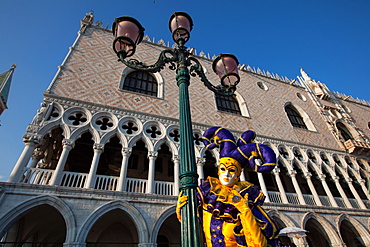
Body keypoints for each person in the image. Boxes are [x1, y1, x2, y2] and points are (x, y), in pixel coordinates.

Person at [177, 127, 279, 247]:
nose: (226, 174)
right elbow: (195, 228)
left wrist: (245, 211)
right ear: (218, 171)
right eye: (223, 169)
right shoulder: (208, 197)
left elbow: (258, 244)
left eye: (232, 170)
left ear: (238, 174)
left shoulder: (246, 199)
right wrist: (182, 211)